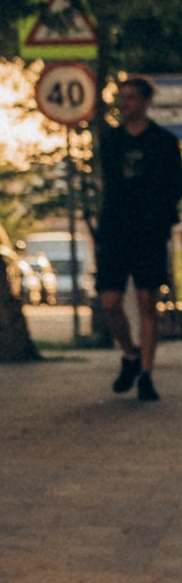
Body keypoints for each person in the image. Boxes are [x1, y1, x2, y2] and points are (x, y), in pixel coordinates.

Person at [95, 75, 181, 406]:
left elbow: (175, 187)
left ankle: (146, 374)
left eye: (131, 97)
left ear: (145, 102)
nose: (125, 103)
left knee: (147, 303)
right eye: (122, 97)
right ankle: (129, 354)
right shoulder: (112, 141)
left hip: (148, 233)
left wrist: (159, 219)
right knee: (110, 303)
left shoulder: (161, 142)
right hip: (116, 231)